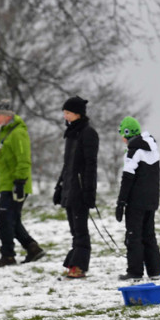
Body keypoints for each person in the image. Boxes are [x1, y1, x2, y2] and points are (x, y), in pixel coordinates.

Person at [0, 101, 44, 266]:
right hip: (7, 184)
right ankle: (32, 248)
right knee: (11, 219)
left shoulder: (18, 133)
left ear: (7, 116)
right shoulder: (6, 133)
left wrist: (20, 183)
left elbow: (23, 160)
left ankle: (8, 255)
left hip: (15, 185)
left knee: (4, 220)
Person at [52, 96, 98, 279]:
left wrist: (89, 192)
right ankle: (74, 263)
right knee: (74, 229)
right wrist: (59, 187)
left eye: (68, 112)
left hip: (80, 190)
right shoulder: (71, 134)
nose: (65, 115)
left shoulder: (88, 133)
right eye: (64, 112)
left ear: (78, 113)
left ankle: (79, 266)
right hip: (69, 188)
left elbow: (90, 165)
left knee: (80, 230)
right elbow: (67, 165)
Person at [116, 117, 160, 281]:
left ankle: (135, 272)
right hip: (151, 201)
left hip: (136, 202)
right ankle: (155, 270)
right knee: (149, 235)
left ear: (127, 134)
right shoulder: (152, 149)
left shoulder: (133, 151)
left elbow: (127, 178)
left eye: (122, 133)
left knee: (133, 236)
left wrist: (121, 202)